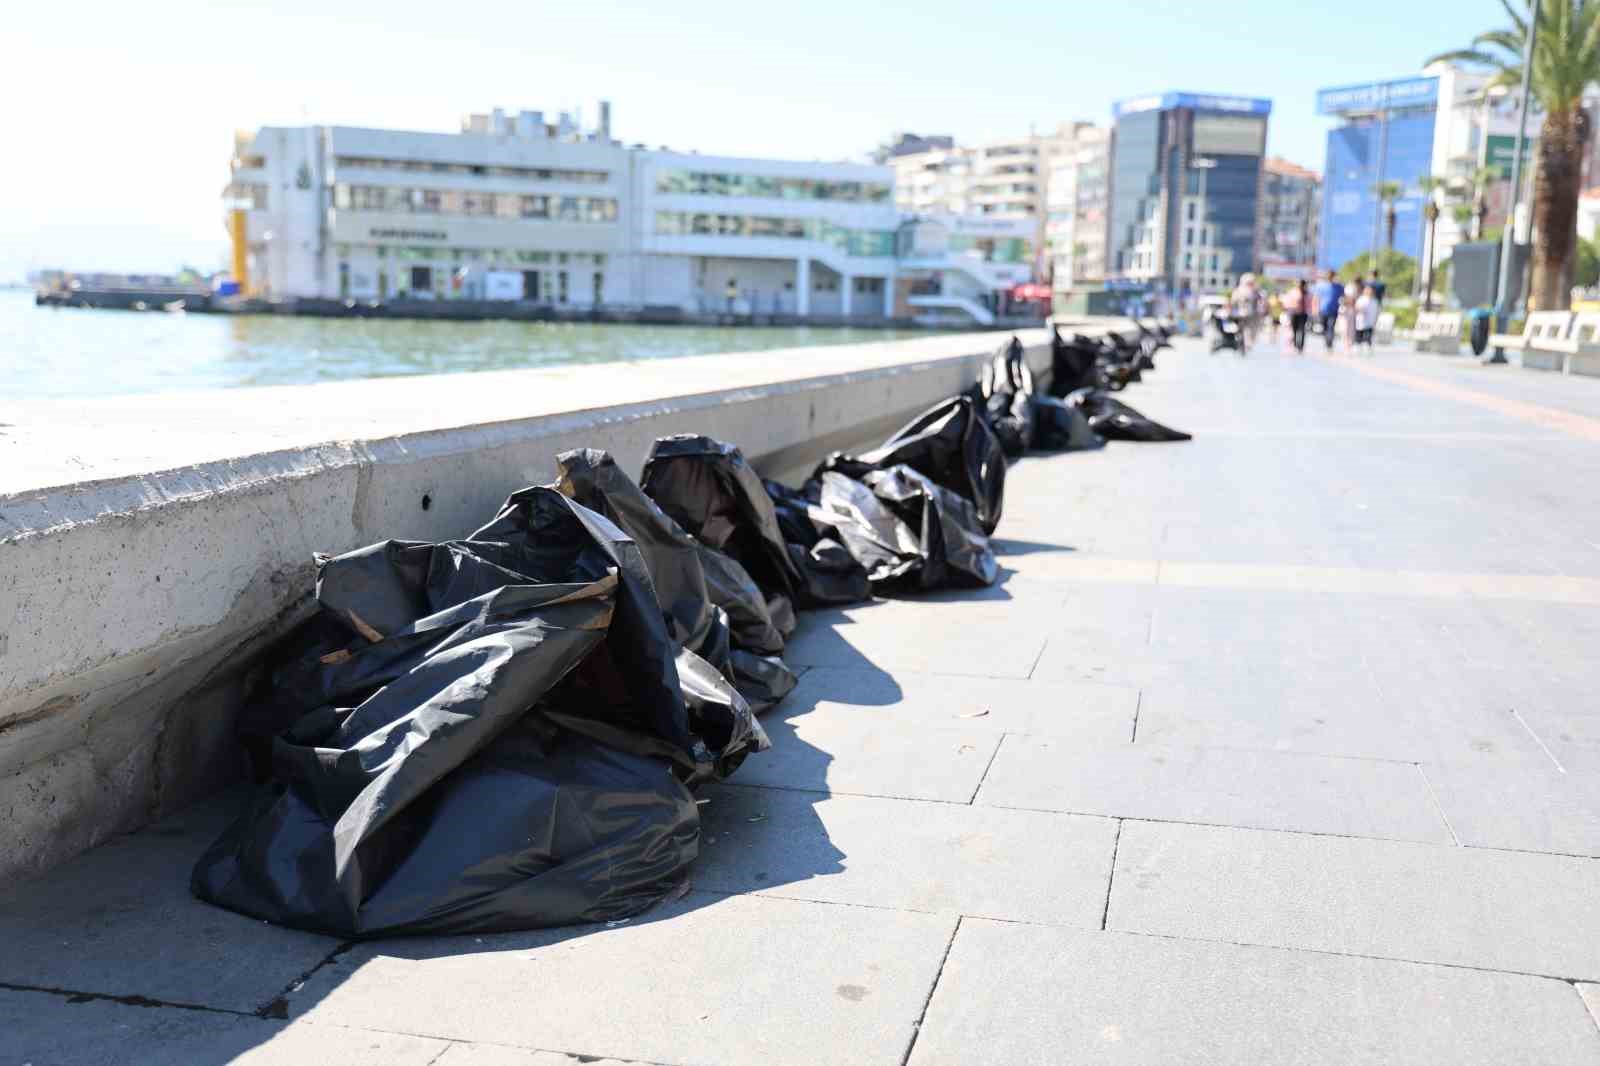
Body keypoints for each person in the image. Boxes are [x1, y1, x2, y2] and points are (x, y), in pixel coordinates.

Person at [1231, 273, 1265, 352]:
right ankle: (1245, 344)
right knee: (1245, 329)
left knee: (1251, 329)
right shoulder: (1239, 291)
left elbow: (1261, 302)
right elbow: (1233, 302)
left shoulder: (1256, 291)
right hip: (1242, 314)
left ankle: (1247, 343)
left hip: (1253, 314)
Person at [1312, 270, 1343, 352]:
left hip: (1334, 310)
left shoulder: (1339, 286)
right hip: (1323, 310)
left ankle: (1329, 344)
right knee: (1325, 327)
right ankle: (1327, 342)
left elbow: (1343, 297)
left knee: (1331, 327)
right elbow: (1316, 298)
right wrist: (1315, 309)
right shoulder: (1320, 286)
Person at [1282, 278, 1310, 354]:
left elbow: (1309, 303)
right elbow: (1287, 302)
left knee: (1302, 330)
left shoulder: (1306, 293)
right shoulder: (1293, 292)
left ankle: (1300, 346)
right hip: (1294, 313)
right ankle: (1295, 345)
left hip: (1303, 313)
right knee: (1294, 330)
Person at [1355, 284, 1380, 352]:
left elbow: (1377, 311)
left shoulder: (1375, 301)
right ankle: (1358, 346)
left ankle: (1367, 347)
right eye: (1367, 290)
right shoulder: (1361, 299)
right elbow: (1356, 308)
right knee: (1359, 334)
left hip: (1370, 321)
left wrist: (1376, 319)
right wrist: (1361, 310)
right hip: (1361, 320)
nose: (1369, 292)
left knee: (1368, 335)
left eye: (1371, 290)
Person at [1343, 274, 1364, 353]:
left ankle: (1349, 344)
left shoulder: (1356, 288)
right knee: (1348, 328)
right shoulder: (1352, 288)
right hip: (1349, 309)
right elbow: (1349, 298)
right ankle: (1348, 344)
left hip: (1353, 310)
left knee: (1351, 328)